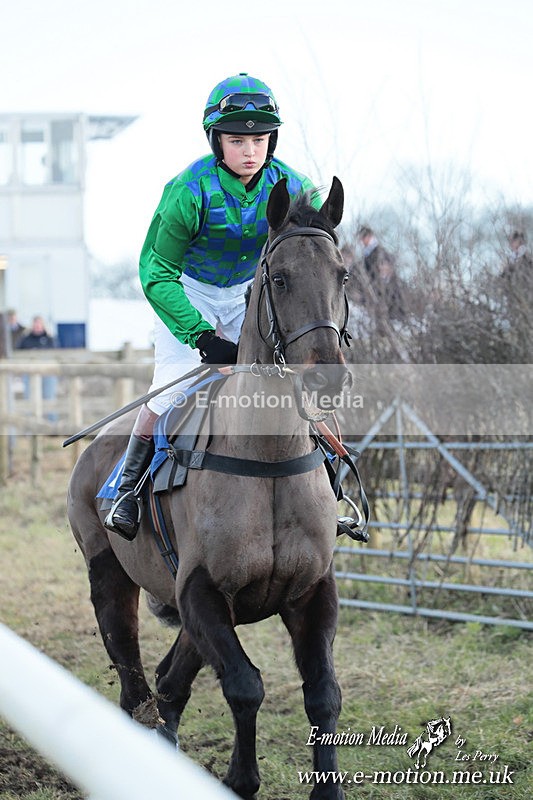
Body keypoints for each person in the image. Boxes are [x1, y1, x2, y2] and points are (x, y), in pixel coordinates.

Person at [104, 72, 321, 540]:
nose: (250, 151)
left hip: (253, 292)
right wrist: (201, 336)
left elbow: (314, 251)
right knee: (168, 389)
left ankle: (332, 485)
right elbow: (156, 273)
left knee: (298, 379)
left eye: (260, 139)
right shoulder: (187, 190)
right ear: (216, 140)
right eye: (237, 139)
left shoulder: (297, 186)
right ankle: (127, 486)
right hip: (189, 291)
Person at [356, 225, 404, 321]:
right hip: (376, 291)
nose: (361, 241)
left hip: (386, 293)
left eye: (363, 238)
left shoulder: (378, 252)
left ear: (369, 236)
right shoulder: (368, 253)